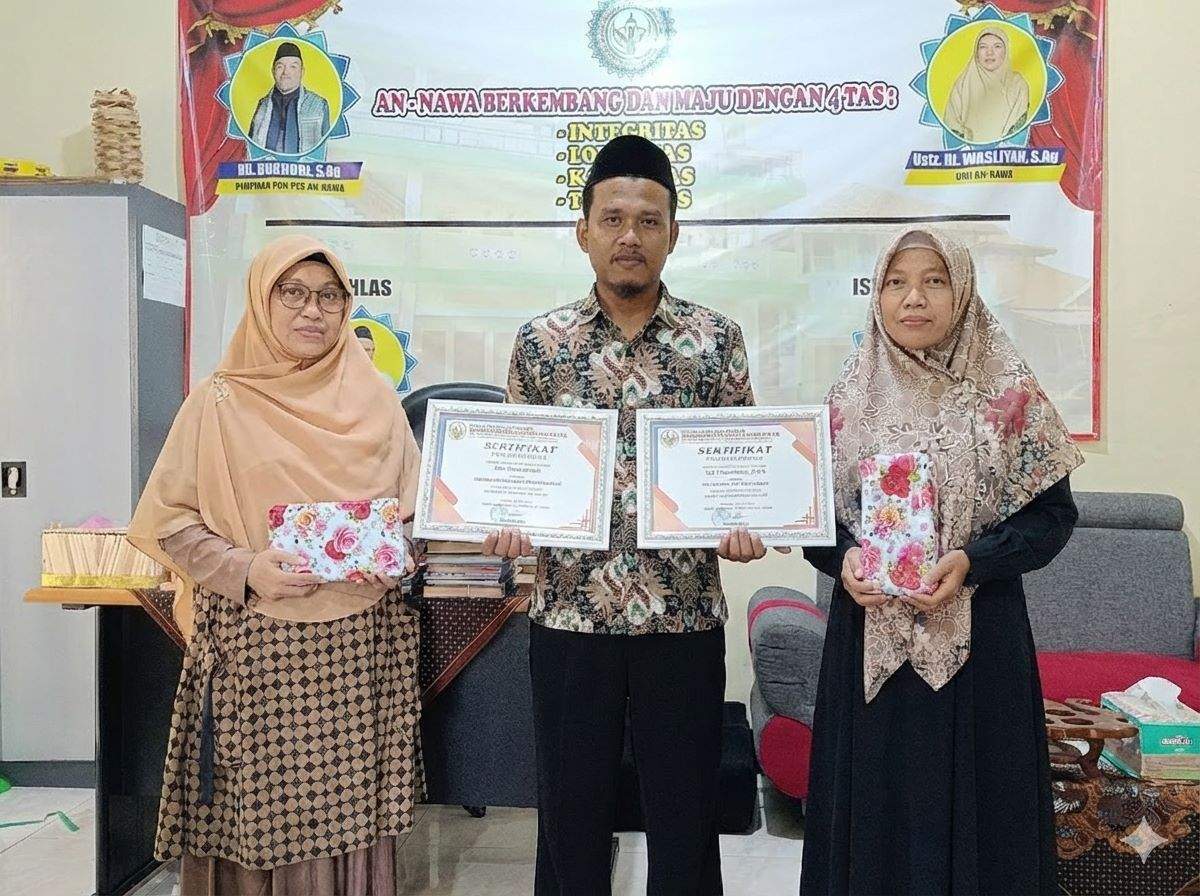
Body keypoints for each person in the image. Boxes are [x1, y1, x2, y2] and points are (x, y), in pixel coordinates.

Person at [491, 134, 777, 895]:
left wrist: (745, 522)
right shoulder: (540, 344)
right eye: (612, 219)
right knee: (569, 815)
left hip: (682, 617)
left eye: (649, 221)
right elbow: (517, 468)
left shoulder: (715, 340)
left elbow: (742, 468)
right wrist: (508, 518)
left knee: (686, 817)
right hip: (568, 616)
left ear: (673, 234)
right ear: (582, 231)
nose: (630, 236)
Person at [128, 235, 422, 895]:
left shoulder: (376, 400)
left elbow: (412, 517)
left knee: (349, 818)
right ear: (262, 302)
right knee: (256, 820)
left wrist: (397, 555)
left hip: (358, 652)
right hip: (255, 645)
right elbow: (170, 521)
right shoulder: (218, 402)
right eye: (292, 293)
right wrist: (244, 568)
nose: (312, 310)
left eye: (330, 296)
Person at [798, 229, 1084, 895]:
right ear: (878, 295)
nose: (914, 298)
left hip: (982, 640)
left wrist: (973, 561)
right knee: (874, 811)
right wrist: (844, 559)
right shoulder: (847, 398)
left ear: (963, 292)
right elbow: (813, 518)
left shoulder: (1008, 394)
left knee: (987, 809)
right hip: (868, 643)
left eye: (934, 281)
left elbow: (1052, 517)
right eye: (896, 282)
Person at [943, 28, 1030, 144]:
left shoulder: (1018, 84)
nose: (989, 53)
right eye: (983, 47)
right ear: (976, 52)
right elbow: (951, 124)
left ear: (1006, 51)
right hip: (968, 153)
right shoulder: (962, 84)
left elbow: (1020, 124)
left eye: (997, 46)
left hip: (1009, 152)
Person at [249, 41, 331, 155]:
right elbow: (249, 147)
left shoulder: (318, 105)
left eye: (293, 67)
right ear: (273, 71)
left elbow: (328, 150)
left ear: (302, 72)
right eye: (280, 66)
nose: (285, 72)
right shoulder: (263, 105)